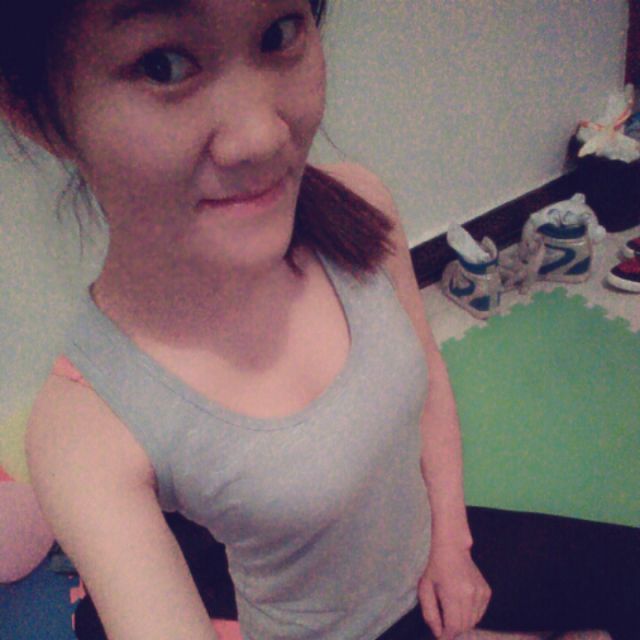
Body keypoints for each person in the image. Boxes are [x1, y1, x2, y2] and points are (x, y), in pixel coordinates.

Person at [0, 3, 637, 640]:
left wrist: (452, 541)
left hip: (430, 561)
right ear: (34, 111)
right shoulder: (82, 426)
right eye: (162, 65)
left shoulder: (357, 204)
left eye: (279, 33)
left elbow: (428, 378)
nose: (263, 136)